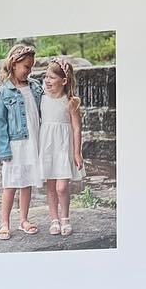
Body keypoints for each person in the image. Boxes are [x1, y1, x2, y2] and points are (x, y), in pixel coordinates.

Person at [0, 41, 43, 240]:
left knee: (26, 181)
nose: (29, 71)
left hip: (32, 142)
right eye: (26, 67)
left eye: (31, 67)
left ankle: (23, 219)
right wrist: (3, 149)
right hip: (15, 144)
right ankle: (4, 222)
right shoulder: (4, 92)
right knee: (10, 183)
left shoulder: (35, 87)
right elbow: (1, 123)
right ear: (14, 64)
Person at [38, 57, 84, 237]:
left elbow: (77, 127)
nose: (47, 81)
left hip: (64, 147)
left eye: (51, 77)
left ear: (64, 81)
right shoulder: (41, 98)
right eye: (46, 77)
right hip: (47, 146)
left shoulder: (70, 101)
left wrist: (78, 152)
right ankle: (54, 219)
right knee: (50, 186)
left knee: (62, 187)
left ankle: (65, 218)